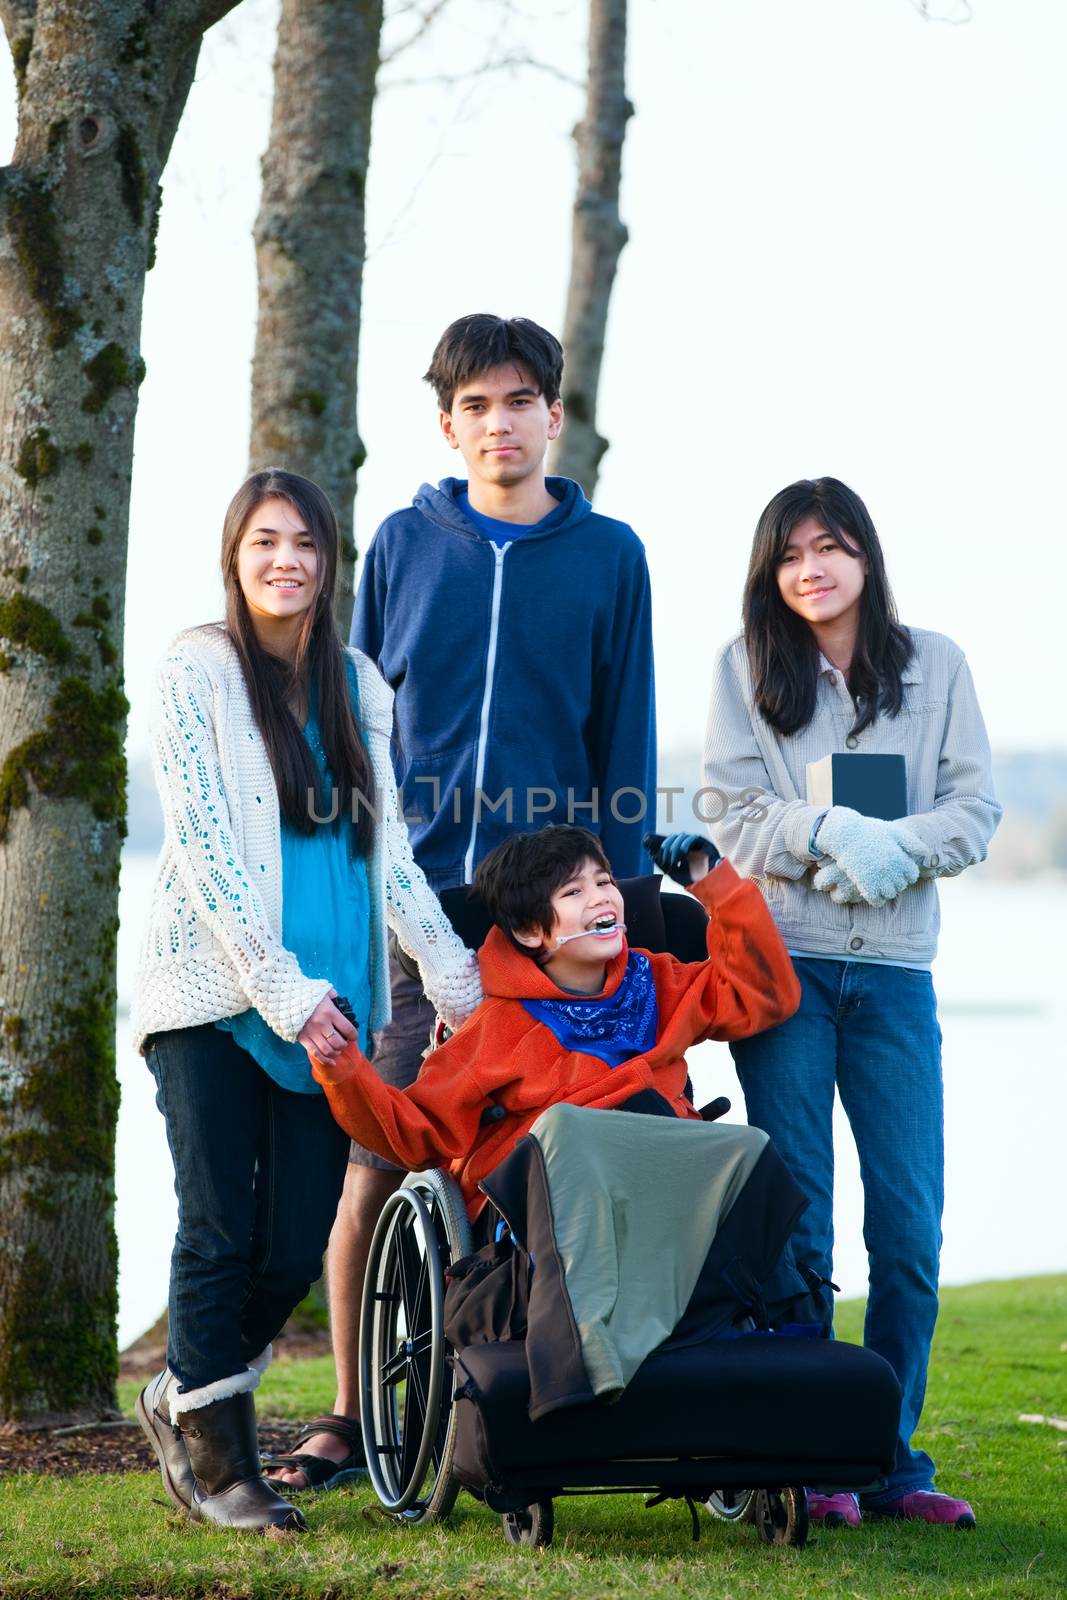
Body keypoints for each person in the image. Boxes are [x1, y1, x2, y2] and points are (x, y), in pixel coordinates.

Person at [270, 314, 657, 1489]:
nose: (500, 422)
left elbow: (622, 736)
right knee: (377, 1153)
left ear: (553, 414)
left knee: (563, 1153)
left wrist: (615, 909)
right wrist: (350, 886)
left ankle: (557, 1388)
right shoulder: (400, 543)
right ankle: (344, 1413)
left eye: (519, 400)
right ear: (448, 423)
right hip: (413, 903)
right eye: (475, 405)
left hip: (547, 921)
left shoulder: (609, 556)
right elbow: (352, 723)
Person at [131, 469, 481, 1532]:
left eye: (306, 544)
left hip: (335, 1007)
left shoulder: (361, 684)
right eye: (264, 542)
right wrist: (281, 990)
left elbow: (394, 862)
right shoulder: (197, 668)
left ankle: (181, 1391)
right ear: (235, 558)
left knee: (293, 1242)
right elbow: (200, 849)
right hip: (214, 993)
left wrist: (456, 981)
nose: (286, 560)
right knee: (220, 1226)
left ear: (330, 563)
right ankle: (219, 1464)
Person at [699, 476, 1000, 1529]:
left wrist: (892, 848)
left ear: (864, 558)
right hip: (784, 974)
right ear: (768, 572)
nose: (809, 570)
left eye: (828, 548)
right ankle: (809, 1456)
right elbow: (731, 813)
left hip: (893, 981)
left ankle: (889, 1462)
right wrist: (827, 836)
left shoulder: (935, 666)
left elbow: (972, 809)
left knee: (909, 1231)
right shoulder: (744, 672)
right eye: (788, 555)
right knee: (800, 1230)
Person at [305, 824, 800, 1202]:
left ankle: (783, 1314)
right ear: (528, 932)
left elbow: (765, 994)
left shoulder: (660, 982)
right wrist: (343, 1065)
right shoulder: (498, 1026)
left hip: (668, 1171)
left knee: (751, 1153)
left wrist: (716, 885)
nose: (602, 895)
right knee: (599, 1126)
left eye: (604, 881)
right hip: (558, 1193)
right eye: (573, 891)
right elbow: (418, 1132)